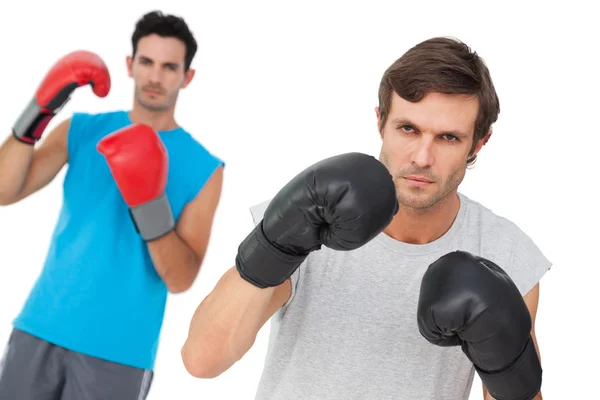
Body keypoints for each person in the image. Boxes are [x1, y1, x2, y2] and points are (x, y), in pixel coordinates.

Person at [180, 36, 551, 400]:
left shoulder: (504, 251)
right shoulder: (316, 214)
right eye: (408, 128)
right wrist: (276, 242)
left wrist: (509, 369)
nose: (422, 157)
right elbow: (202, 360)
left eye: (448, 138)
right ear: (380, 122)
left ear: (479, 143)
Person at [0, 10, 224, 400]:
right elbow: (4, 191)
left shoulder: (205, 167)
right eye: (147, 62)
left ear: (187, 77)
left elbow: (181, 278)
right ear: (130, 65)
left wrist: (150, 204)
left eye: (170, 67)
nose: (155, 77)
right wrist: (38, 110)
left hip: (119, 352)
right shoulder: (82, 129)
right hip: (38, 326)